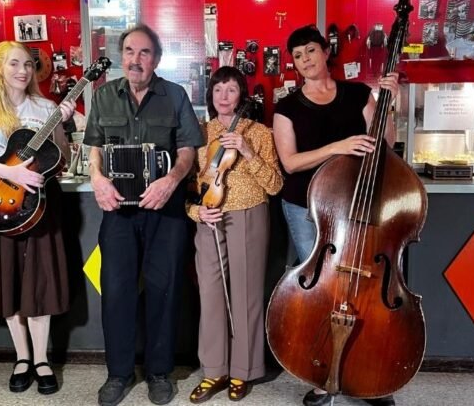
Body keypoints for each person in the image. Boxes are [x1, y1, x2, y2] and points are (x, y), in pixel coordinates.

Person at [272, 25, 400, 406]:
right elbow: (291, 163)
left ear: (325, 51)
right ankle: (321, 373)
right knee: (322, 290)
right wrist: (338, 146)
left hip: (357, 205)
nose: (305, 60)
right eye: (297, 56)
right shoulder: (287, 107)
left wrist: (389, 102)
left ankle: (364, 372)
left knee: (361, 290)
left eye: (310, 50)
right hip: (306, 206)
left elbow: (387, 143)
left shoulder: (359, 93)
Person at [84, 24, 204, 406]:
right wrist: (97, 179)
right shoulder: (103, 96)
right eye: (130, 52)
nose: (136, 60)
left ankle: (159, 372)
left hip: (164, 211)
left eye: (145, 53)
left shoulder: (175, 96)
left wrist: (170, 181)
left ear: (157, 59)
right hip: (117, 211)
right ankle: (118, 374)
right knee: (116, 292)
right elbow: (95, 149)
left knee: (164, 292)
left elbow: (188, 151)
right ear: (121, 56)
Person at [0, 41, 76, 395]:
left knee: (39, 283)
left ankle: (42, 359)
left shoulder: (46, 107)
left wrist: (62, 126)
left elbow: (62, 157)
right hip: (0, 203)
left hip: (39, 206)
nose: (23, 71)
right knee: (8, 281)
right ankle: (21, 357)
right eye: (14, 64)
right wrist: (10, 173)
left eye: (28, 64)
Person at [185, 66, 282, 403]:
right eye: (217, 90)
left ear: (242, 95)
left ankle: (244, 370)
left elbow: (274, 184)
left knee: (245, 295)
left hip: (249, 216)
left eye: (231, 89)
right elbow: (188, 188)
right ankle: (214, 370)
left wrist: (247, 150)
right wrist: (197, 211)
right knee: (210, 296)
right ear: (210, 97)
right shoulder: (198, 132)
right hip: (209, 218)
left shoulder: (259, 132)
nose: (224, 97)